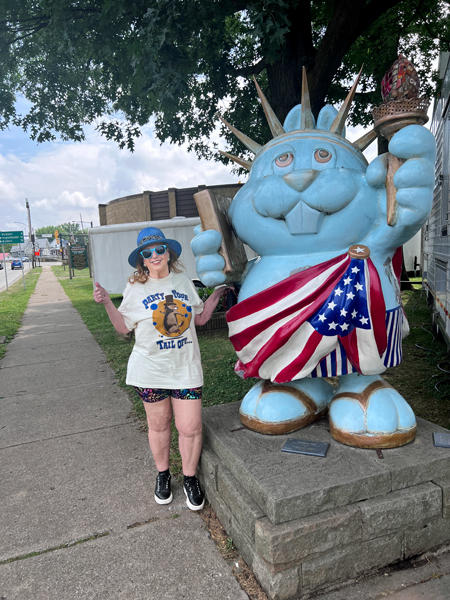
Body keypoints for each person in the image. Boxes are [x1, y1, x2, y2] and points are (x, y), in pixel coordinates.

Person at [93, 226, 228, 510]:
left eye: (159, 249)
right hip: (150, 370)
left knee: (190, 427)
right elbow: (122, 327)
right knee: (158, 424)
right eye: (147, 252)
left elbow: (200, 319)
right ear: (141, 258)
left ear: (168, 252)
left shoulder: (183, 281)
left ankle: (190, 478)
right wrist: (107, 302)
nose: (154, 255)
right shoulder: (135, 287)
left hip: (185, 369)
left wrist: (219, 293)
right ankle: (163, 475)